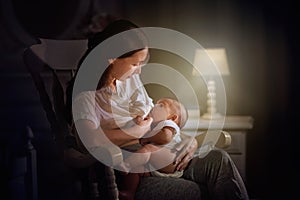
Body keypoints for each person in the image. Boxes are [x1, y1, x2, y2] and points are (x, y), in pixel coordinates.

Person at [67, 19, 249, 200]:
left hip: (163, 154)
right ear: (112, 58)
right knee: (197, 190)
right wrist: (136, 133)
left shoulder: (129, 80)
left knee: (219, 159)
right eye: (135, 64)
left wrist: (189, 141)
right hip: (134, 169)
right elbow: (88, 140)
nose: (138, 71)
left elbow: (157, 120)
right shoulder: (86, 97)